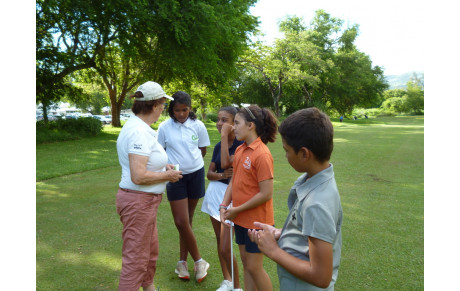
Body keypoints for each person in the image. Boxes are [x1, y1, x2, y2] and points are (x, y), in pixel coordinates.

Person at [248, 107, 343, 291]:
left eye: (287, 150)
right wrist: (280, 233)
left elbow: (321, 276)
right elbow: (308, 228)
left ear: (304, 154)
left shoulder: (317, 203)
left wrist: (273, 251)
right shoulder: (313, 179)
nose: (285, 156)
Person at [116, 81, 183, 291]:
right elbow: (138, 175)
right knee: (135, 261)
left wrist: (164, 168)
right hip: (138, 202)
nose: (164, 108)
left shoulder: (141, 128)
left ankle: (149, 287)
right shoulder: (138, 132)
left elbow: (145, 164)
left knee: (150, 252)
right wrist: (168, 176)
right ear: (154, 105)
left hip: (145, 202)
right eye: (163, 103)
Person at [220, 105, 278, 291]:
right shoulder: (240, 150)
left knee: (254, 267)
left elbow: (266, 193)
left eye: (236, 123)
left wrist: (236, 209)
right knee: (246, 264)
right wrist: (224, 204)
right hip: (240, 220)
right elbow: (233, 182)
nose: (233, 127)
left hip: (257, 222)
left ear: (251, 125)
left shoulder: (262, 154)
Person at [157, 91, 211, 283]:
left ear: (190, 108)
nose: (181, 114)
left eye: (184, 110)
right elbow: (159, 153)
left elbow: (202, 150)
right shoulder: (164, 127)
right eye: (177, 110)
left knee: (187, 220)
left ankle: (182, 263)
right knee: (181, 221)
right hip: (175, 177)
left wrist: (191, 163)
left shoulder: (198, 125)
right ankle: (199, 261)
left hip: (196, 174)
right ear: (171, 110)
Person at [201, 106, 243, 291]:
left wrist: (225, 135)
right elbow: (209, 173)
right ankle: (227, 280)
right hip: (214, 194)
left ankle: (237, 286)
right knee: (220, 241)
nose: (219, 124)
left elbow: (226, 162)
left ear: (235, 123)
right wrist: (220, 175)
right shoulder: (219, 145)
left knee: (227, 246)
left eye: (224, 120)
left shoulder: (241, 145)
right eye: (218, 120)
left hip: (231, 197)